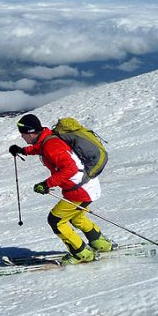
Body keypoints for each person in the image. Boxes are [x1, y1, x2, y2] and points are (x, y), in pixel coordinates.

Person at [9, 113, 113, 264]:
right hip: (87, 185)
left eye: (23, 134)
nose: (22, 137)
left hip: (80, 191)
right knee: (77, 217)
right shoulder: (48, 139)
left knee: (56, 220)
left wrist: (47, 184)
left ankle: (81, 253)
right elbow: (41, 149)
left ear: (30, 132)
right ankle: (100, 244)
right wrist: (23, 151)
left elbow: (69, 169)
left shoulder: (51, 144)